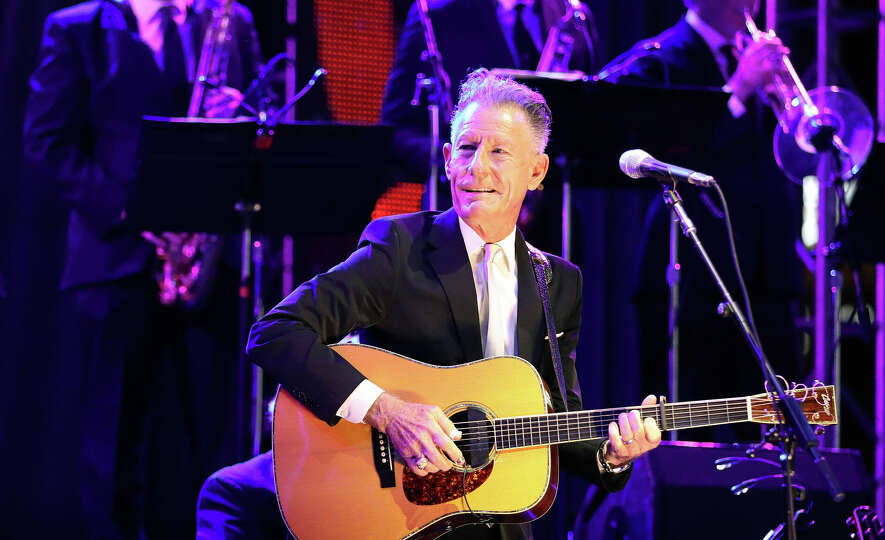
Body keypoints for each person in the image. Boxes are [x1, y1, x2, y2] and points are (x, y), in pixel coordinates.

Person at [246, 68, 661, 539]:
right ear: (446, 159)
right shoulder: (398, 247)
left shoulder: (557, 281)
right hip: (401, 514)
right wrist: (386, 410)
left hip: (498, 520)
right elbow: (276, 333)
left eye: (499, 151)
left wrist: (612, 455)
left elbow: (554, 418)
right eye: (466, 148)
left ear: (537, 171)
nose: (476, 166)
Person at [21, 0, 262, 537]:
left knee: (210, 439)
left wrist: (243, 112)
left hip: (205, 260)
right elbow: (46, 142)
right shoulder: (77, 27)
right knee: (111, 442)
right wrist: (129, 210)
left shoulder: (227, 20)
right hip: (115, 260)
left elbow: (263, 124)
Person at [597, 0, 805, 441]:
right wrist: (738, 90)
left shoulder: (756, 63)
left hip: (765, 270)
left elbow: (793, 160)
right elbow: (659, 156)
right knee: (700, 416)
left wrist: (788, 112)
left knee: (773, 417)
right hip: (692, 269)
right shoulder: (660, 59)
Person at [382, 0, 599, 184]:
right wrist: (464, 163)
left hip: (555, 218)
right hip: (465, 211)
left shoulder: (572, 14)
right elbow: (398, 130)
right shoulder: (435, 13)